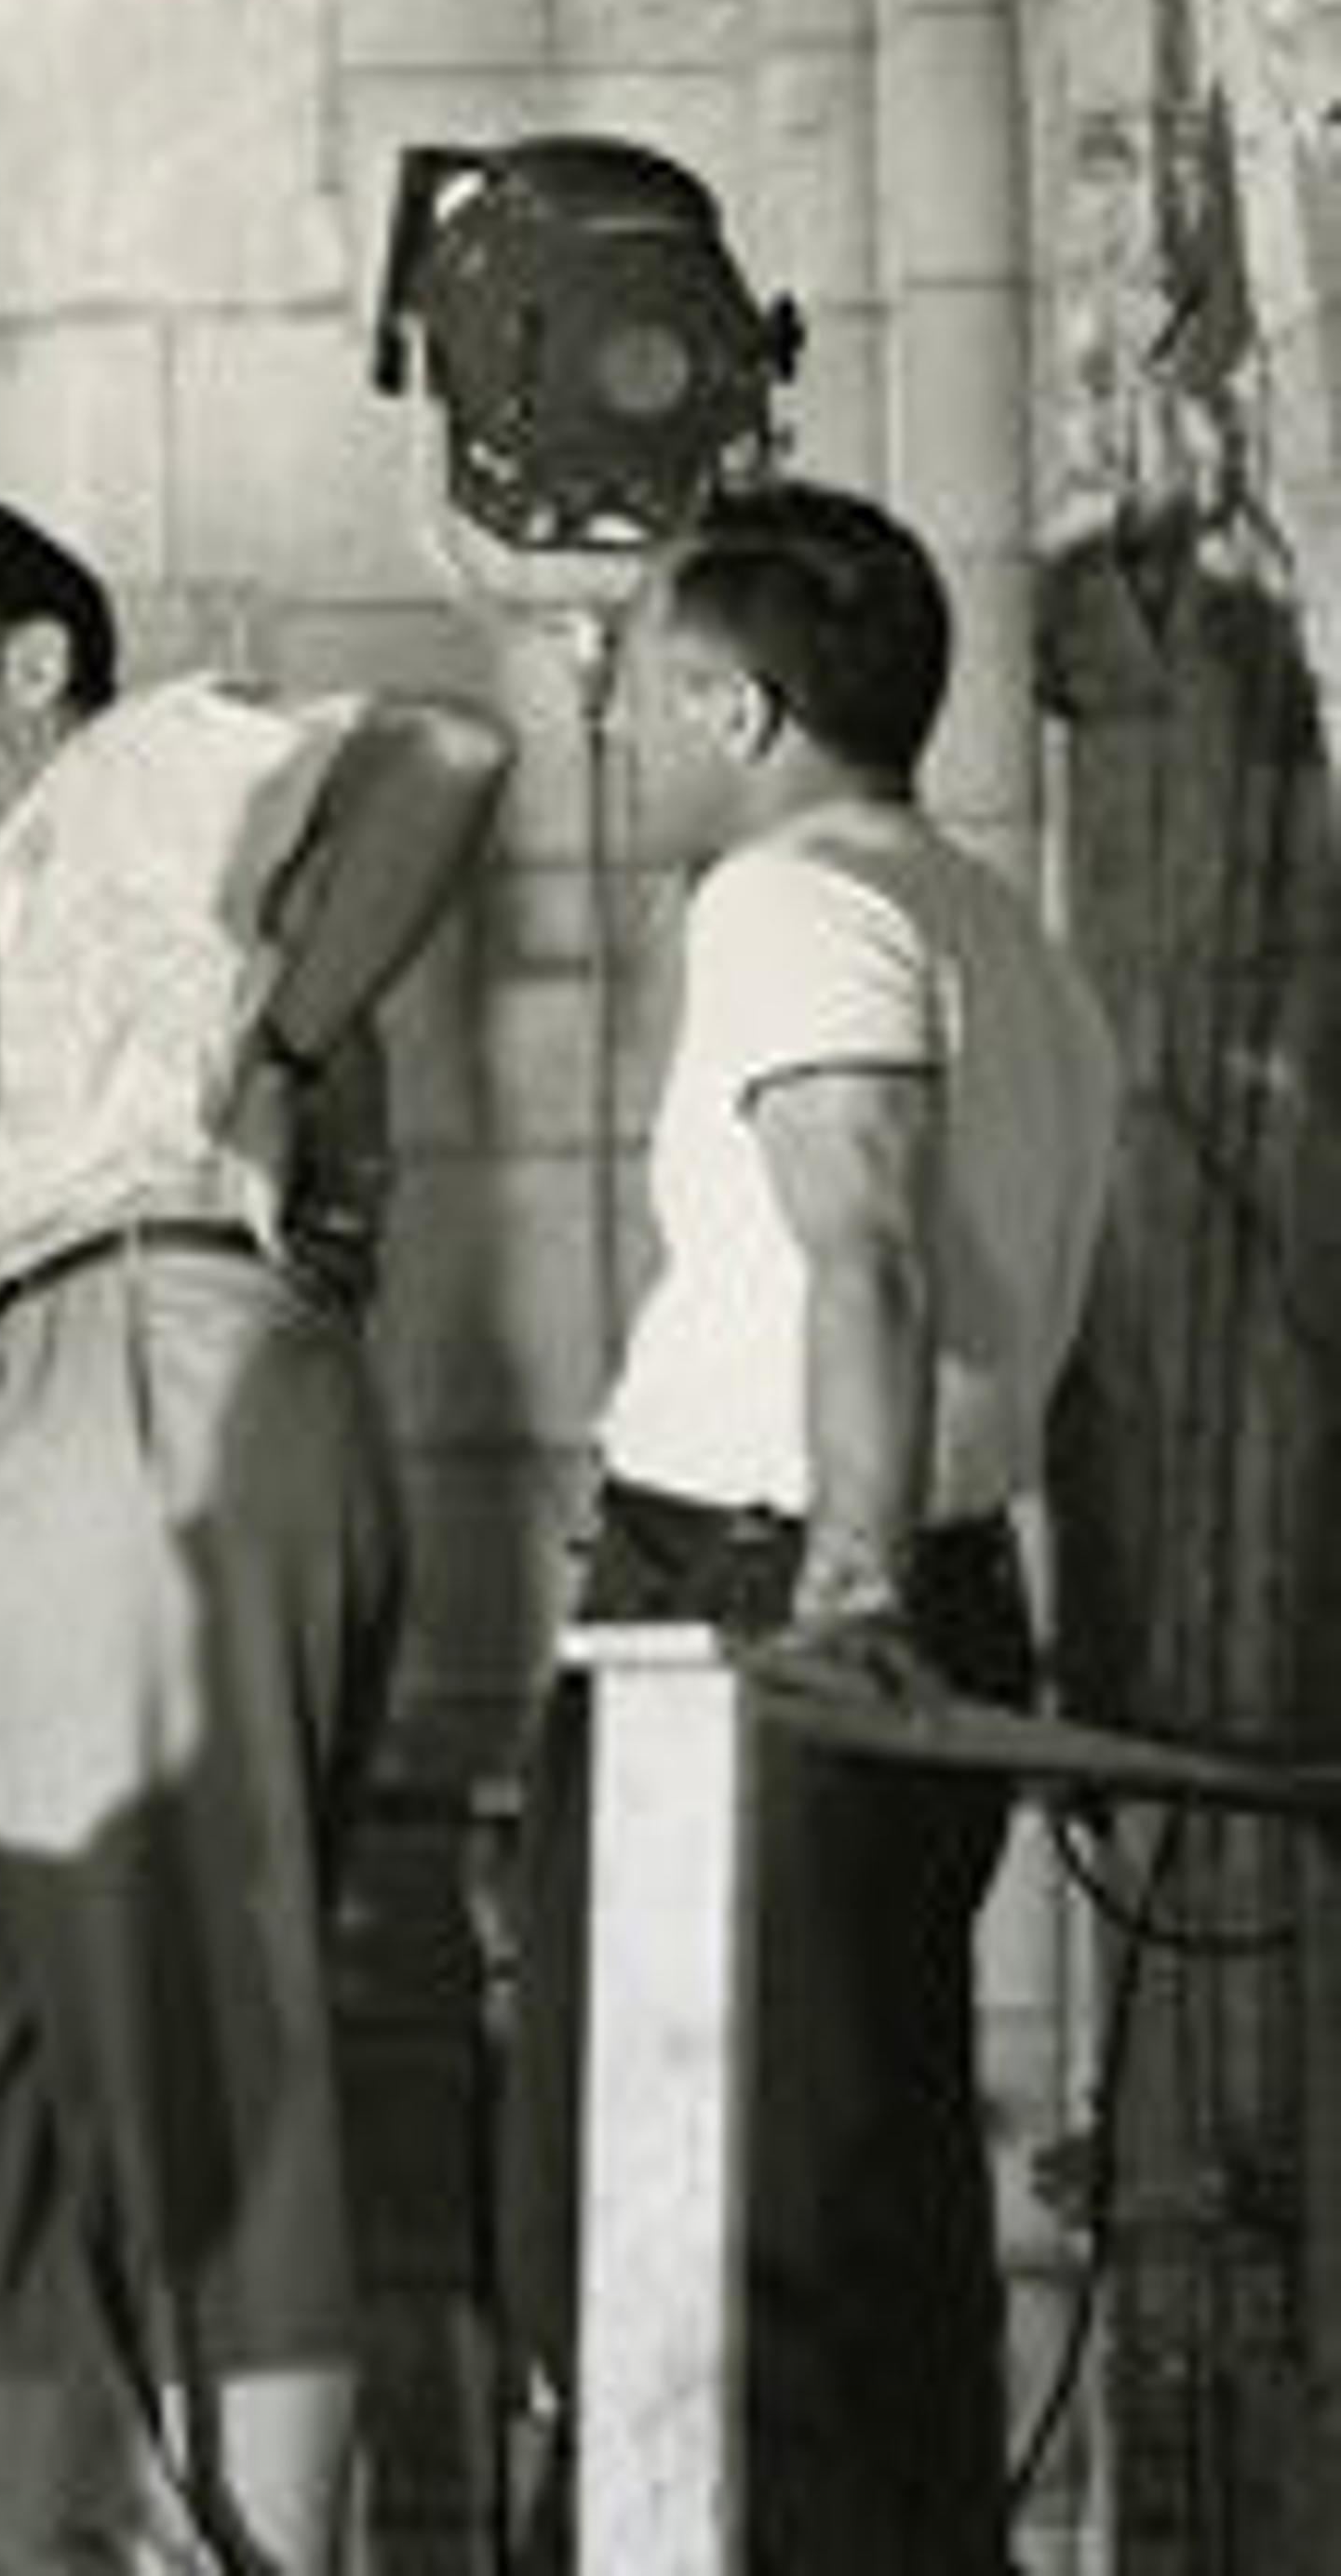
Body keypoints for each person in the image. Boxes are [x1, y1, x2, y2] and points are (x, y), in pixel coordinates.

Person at [0, 494, 507, 2576]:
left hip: (149, 1345)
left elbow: (448, 757)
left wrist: (278, 1051)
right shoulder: (74, 859)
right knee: (10, 2071)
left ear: (33, 662)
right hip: (86, 1364)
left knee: (190, 2028)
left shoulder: (125, 763)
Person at [499, 480, 1122, 2573]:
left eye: (651, 690)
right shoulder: (1003, 929)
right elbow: (1072, 1355)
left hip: (777, 1588)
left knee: (702, 2223)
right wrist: (1058, 1636)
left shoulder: (791, 899)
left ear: (740, 702)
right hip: (938, 1572)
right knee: (870, 2205)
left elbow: (863, 1241)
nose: (627, 733)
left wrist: (846, 1586)